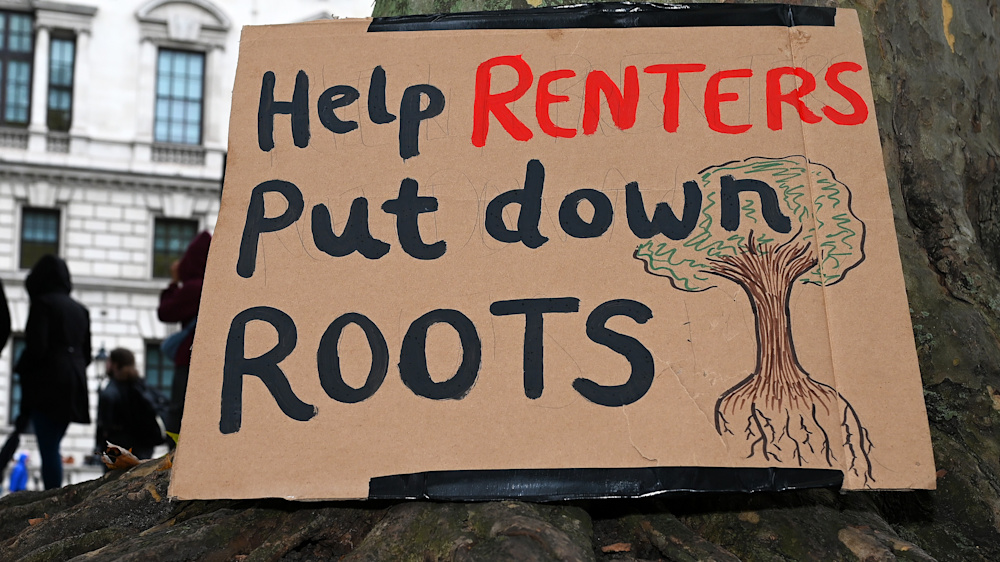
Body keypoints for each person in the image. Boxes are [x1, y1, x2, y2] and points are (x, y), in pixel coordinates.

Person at [14, 255, 91, 490]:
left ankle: (52, 496)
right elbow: (86, 354)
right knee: (52, 444)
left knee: (48, 447)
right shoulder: (80, 310)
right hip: (74, 382)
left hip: (47, 383)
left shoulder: (42, 304)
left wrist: (22, 367)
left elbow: (37, 347)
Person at [158, 230, 211, 436]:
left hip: (189, 360)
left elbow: (165, 311)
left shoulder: (194, 288)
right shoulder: (215, 286)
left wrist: (173, 283)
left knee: (178, 414)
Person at [95, 348, 165, 462]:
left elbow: (104, 424)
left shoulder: (111, 389)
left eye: (108, 362)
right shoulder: (141, 386)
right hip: (143, 447)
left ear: (115, 364)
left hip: (117, 450)